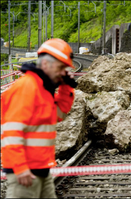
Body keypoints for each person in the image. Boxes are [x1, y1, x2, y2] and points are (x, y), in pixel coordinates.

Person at [1, 38, 76, 198]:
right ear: (46, 64)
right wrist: (20, 167)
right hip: (25, 171)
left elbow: (58, 115)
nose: (63, 71)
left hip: (42, 168)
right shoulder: (27, 87)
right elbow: (11, 132)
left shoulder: (42, 89)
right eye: (61, 67)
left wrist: (66, 87)